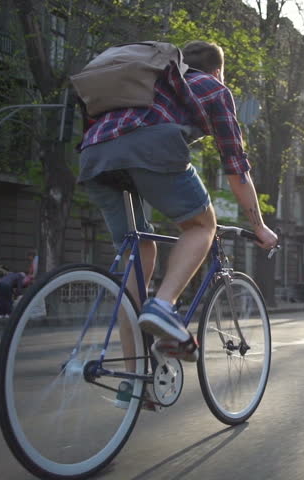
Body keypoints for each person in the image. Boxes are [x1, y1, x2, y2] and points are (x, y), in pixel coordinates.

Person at [78, 40, 278, 362]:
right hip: (150, 146)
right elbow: (235, 167)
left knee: (139, 250)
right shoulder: (213, 87)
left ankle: (134, 379)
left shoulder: (152, 77)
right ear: (217, 70)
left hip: (94, 153)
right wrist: (260, 226)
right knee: (202, 225)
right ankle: (163, 306)